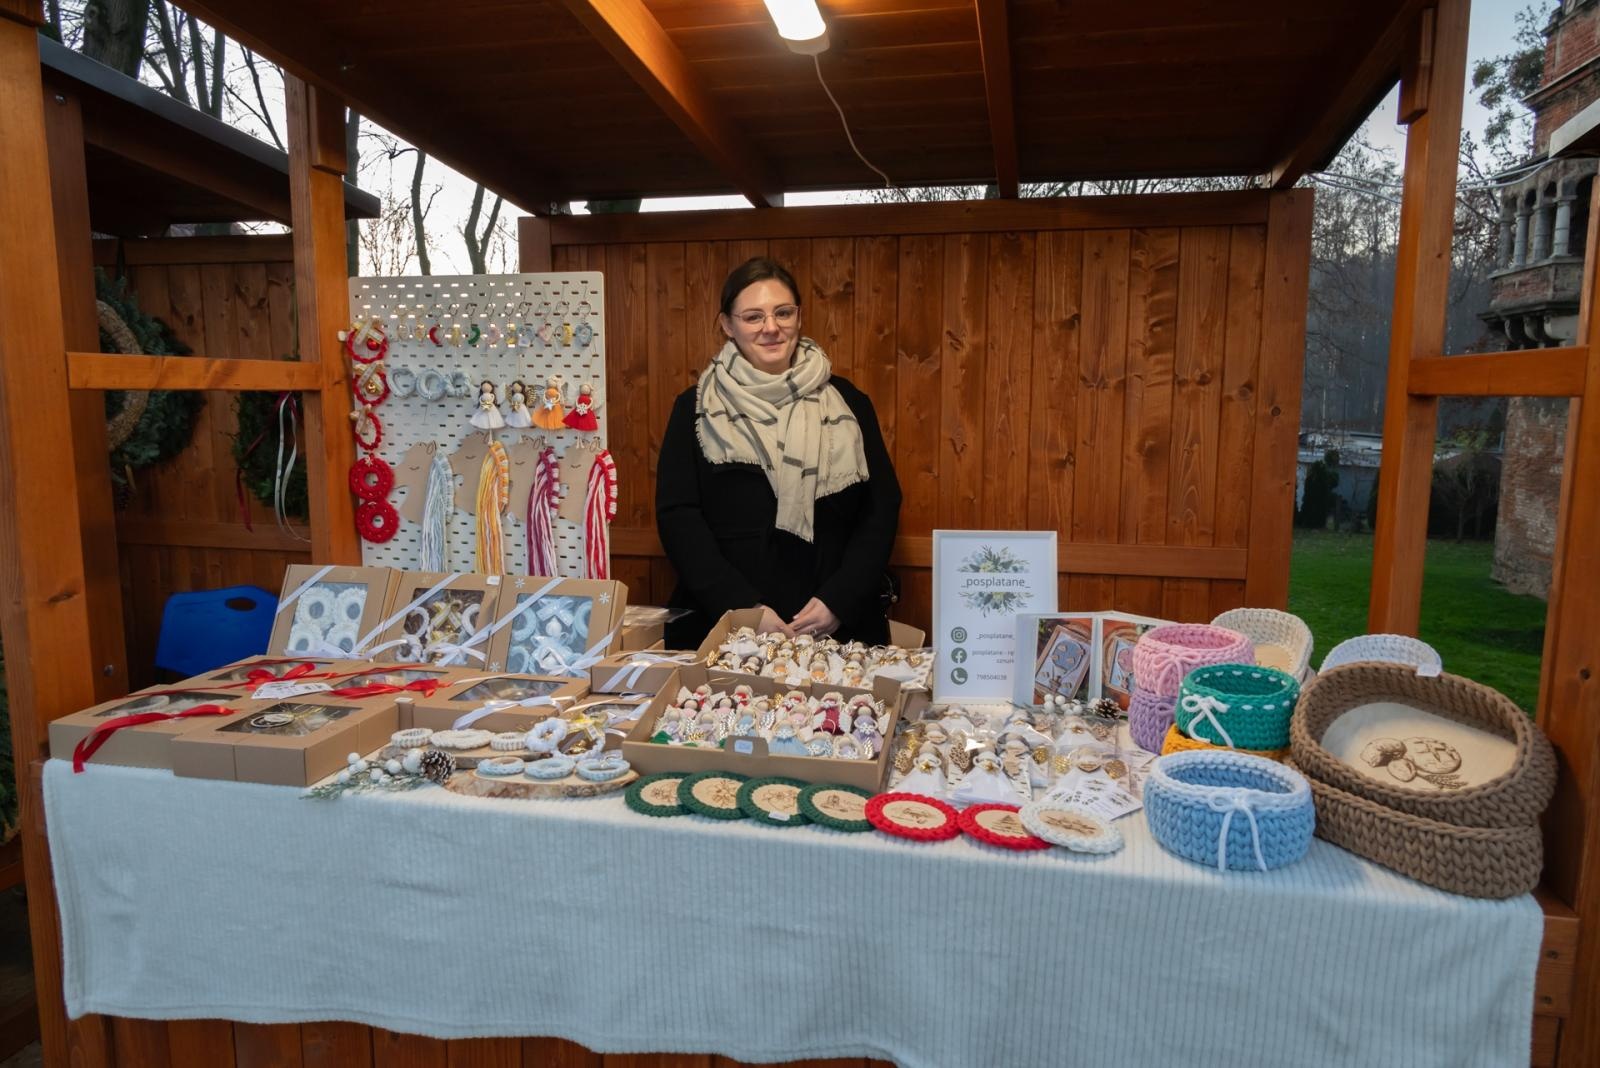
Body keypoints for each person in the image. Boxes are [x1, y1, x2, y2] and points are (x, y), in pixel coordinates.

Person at [656, 257, 901, 648]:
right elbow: (678, 516)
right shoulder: (696, 408)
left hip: (837, 630)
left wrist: (840, 599)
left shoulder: (849, 402)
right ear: (727, 325)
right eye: (753, 317)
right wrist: (741, 607)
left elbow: (881, 507)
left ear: (799, 317)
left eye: (782, 313)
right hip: (725, 628)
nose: (771, 328)